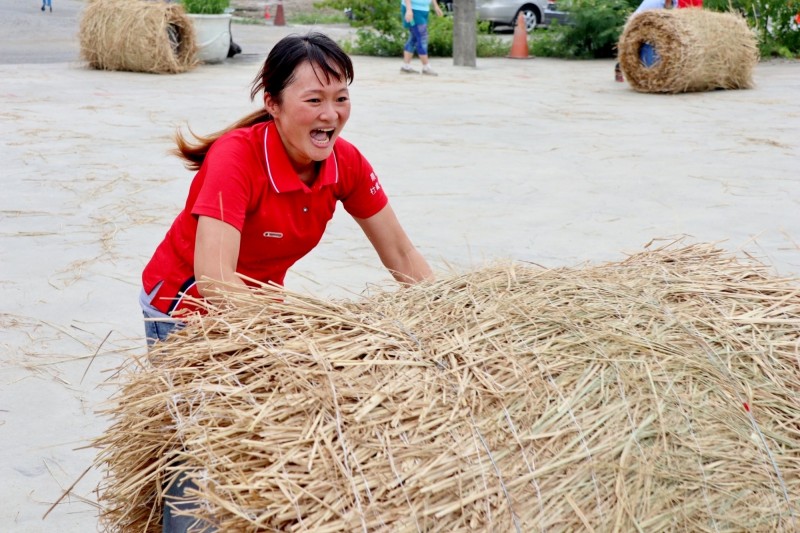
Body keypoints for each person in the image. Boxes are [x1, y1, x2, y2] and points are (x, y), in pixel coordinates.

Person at [141, 32, 433, 531]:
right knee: (199, 451)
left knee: (263, 441)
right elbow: (214, 281)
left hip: (260, 309)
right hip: (185, 308)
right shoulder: (236, 158)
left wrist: (449, 314)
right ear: (272, 104)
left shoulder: (347, 163)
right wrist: (308, 326)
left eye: (341, 99)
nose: (331, 115)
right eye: (314, 100)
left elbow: (402, 253)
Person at [615, 0, 677, 82]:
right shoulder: (653, 2)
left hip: (659, 31)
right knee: (650, 68)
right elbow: (636, 20)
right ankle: (621, 64)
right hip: (638, 28)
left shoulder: (675, 2)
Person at [400, 0, 444, 75]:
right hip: (413, 10)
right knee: (422, 36)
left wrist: (436, 6)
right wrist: (409, 10)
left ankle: (406, 66)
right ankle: (426, 66)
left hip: (424, 9)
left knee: (414, 36)